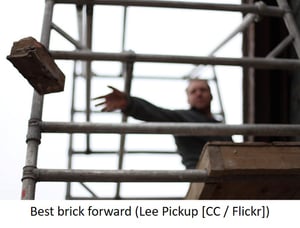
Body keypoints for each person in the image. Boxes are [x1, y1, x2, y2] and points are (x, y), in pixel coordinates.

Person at [93, 79, 231, 169]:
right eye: (193, 91)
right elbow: (155, 113)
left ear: (211, 95)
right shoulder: (182, 118)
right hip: (203, 176)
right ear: (188, 99)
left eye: (203, 90)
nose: (199, 94)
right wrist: (129, 103)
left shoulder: (222, 127)